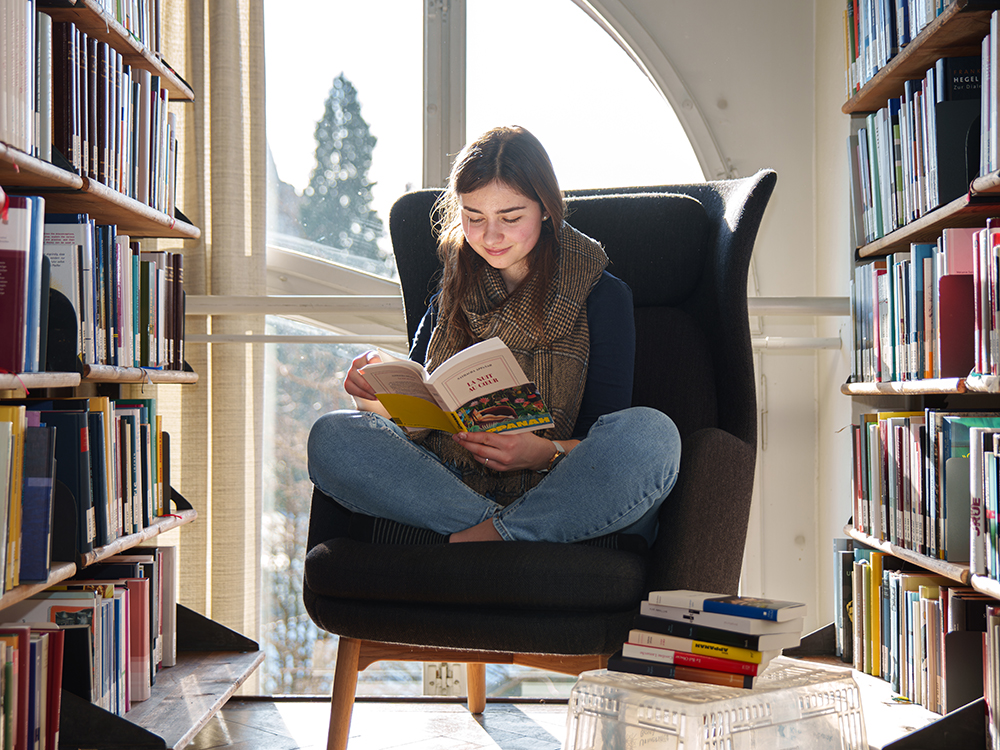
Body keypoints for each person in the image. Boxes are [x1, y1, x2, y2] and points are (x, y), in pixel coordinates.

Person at [307, 125, 680, 546]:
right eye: (474, 217)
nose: (490, 236)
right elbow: (421, 415)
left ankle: (482, 537)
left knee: (652, 435)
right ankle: (504, 533)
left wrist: (542, 451)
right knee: (333, 435)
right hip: (447, 486)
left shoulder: (602, 295)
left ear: (545, 209)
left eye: (511, 217)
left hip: (559, 483)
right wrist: (374, 399)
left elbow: (601, 434)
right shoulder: (450, 286)